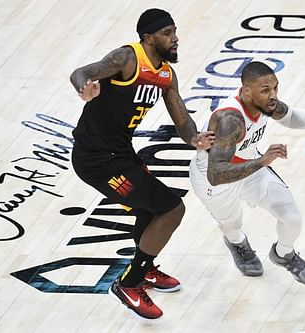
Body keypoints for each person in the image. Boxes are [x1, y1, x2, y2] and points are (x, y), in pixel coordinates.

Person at [70, 8, 214, 319]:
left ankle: (145, 270)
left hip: (120, 154)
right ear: (148, 37)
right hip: (96, 160)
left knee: (151, 210)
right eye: (167, 33)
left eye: (175, 32)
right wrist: (85, 89)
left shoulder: (166, 75)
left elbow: (182, 119)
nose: (175, 38)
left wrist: (195, 139)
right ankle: (129, 284)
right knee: (171, 208)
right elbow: (80, 73)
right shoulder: (127, 58)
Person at [189, 61, 305, 285]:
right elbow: (216, 174)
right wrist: (263, 161)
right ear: (246, 91)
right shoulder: (231, 120)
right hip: (214, 178)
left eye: (275, 88)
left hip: (250, 164)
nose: (273, 95)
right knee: (232, 224)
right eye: (266, 90)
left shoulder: (263, 103)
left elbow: (290, 116)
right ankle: (238, 243)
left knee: (293, 219)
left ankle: (284, 253)